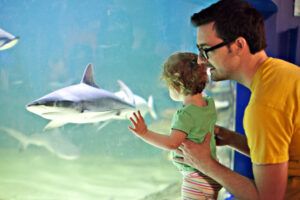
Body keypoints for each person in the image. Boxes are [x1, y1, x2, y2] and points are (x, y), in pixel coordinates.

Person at [173, 0, 300, 199]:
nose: (200, 60)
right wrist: (232, 139)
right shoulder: (282, 72)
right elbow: (287, 154)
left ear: (238, 45)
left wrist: (206, 164)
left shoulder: (263, 106)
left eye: (205, 50)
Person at [128, 52, 222, 199]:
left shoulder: (184, 115)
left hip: (195, 178)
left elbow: (172, 143)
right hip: (213, 171)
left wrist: (145, 133)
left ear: (175, 87)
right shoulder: (209, 103)